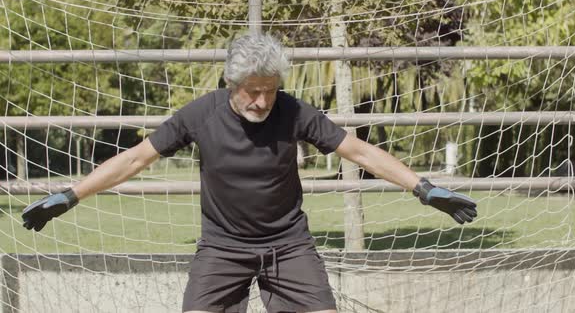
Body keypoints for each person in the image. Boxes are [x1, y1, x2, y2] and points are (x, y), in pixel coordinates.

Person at [21, 33, 477, 313]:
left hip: (289, 245)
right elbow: (135, 159)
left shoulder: (296, 112)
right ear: (230, 85)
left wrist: (424, 187)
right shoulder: (199, 115)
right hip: (222, 248)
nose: (262, 101)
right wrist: (70, 195)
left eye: (270, 91)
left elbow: (358, 151)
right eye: (252, 92)